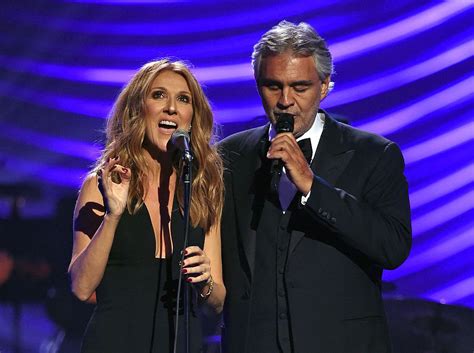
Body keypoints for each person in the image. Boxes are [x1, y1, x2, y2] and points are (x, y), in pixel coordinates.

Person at [218, 21, 411, 353]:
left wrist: (311, 186)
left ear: (324, 87)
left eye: (300, 87)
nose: (285, 101)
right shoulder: (231, 155)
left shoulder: (375, 154)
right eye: (273, 86)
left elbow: (392, 247)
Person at [68, 59, 225, 353]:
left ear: (192, 118)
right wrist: (113, 215)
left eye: (183, 99)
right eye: (158, 95)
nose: (171, 108)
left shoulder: (204, 190)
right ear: (138, 110)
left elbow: (218, 301)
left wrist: (205, 282)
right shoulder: (102, 185)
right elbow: (81, 287)